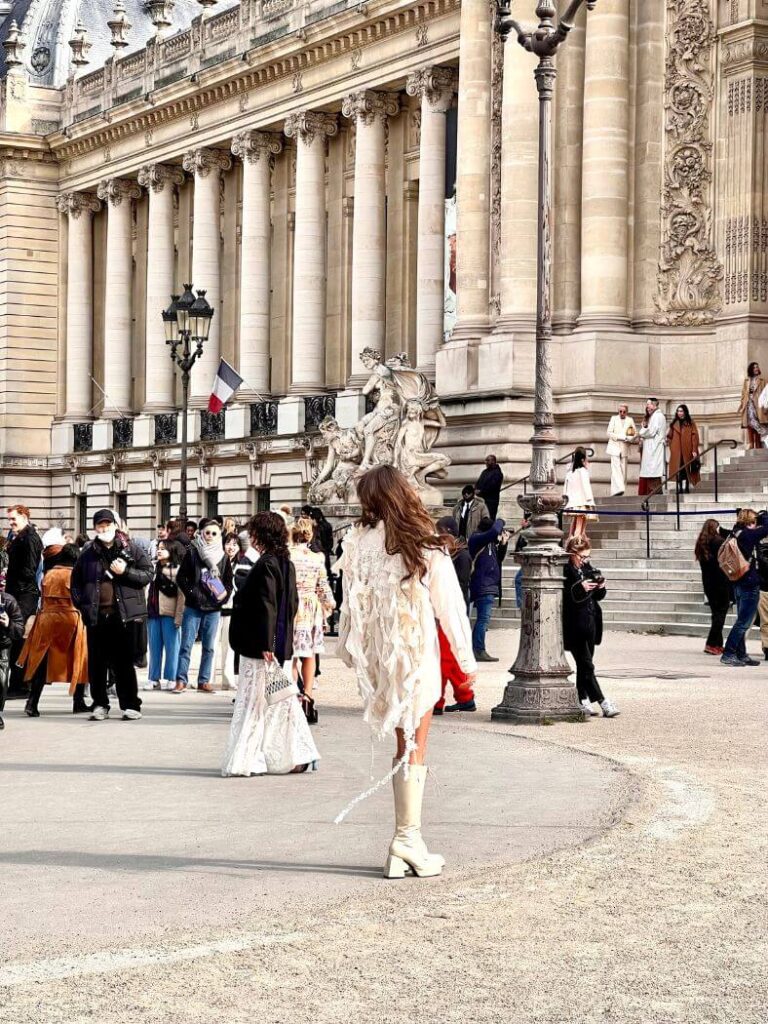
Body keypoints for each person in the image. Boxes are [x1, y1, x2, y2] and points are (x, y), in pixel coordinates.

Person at [335, 464, 475, 878]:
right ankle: (408, 839)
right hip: (415, 658)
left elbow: (350, 607)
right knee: (416, 746)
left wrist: (350, 654)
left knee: (405, 742)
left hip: (382, 662)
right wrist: (466, 666)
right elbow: (450, 610)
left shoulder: (359, 543)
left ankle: (404, 843)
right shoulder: (423, 545)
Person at [222, 512, 319, 776]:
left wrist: (266, 642)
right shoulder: (285, 562)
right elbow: (291, 603)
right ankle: (297, 753)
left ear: (261, 535)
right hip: (278, 643)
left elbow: (267, 605)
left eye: (254, 532)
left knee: (254, 702)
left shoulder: (266, 563)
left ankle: (250, 758)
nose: (250, 537)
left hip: (260, 645)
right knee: (280, 702)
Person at [71, 509, 152, 721]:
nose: (104, 528)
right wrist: (83, 606)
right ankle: (100, 704)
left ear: (115, 525)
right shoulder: (87, 554)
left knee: (123, 662)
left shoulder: (131, 549)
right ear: (95, 528)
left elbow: (147, 574)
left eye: (107, 524)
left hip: (123, 616)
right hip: (97, 616)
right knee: (97, 663)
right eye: (100, 525)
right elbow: (76, 584)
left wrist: (125, 572)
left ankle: (131, 704)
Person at [17, 536, 88, 718]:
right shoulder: (75, 574)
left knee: (43, 661)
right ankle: (78, 701)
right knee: (79, 659)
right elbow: (82, 598)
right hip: (71, 618)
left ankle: (32, 702)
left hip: (47, 619)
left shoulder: (49, 574)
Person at [174, 518, 234, 693]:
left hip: (213, 608)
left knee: (209, 646)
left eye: (214, 533)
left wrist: (222, 598)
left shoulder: (223, 557)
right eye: (207, 532)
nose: (210, 536)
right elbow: (181, 578)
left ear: (218, 536)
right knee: (186, 645)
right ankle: (181, 680)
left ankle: (204, 680)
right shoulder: (192, 552)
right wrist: (193, 593)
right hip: (193, 606)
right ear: (201, 533)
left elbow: (228, 582)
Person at [562, 536, 619, 718]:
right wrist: (581, 587)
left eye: (587, 556)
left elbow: (598, 597)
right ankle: (603, 701)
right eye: (582, 557)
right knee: (587, 665)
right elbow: (568, 597)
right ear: (572, 554)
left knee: (584, 666)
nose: (585, 560)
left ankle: (581, 698)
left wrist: (600, 586)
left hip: (590, 621)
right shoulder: (566, 570)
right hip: (574, 624)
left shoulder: (588, 569)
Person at [289, 517, 335, 716]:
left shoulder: (287, 556)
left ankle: (292, 696)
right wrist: (329, 604)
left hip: (292, 606)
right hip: (311, 606)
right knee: (309, 655)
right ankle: (307, 696)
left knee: (290, 656)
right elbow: (323, 586)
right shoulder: (318, 558)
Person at [434, 517, 476, 714]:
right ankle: (464, 696)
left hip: (448, 608)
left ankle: (438, 700)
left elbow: (461, 584)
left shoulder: (461, 556)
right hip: (443, 608)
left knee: (444, 658)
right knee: (448, 657)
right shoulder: (451, 554)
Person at [721, 508, 768, 667]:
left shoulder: (736, 532)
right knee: (743, 623)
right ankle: (728, 653)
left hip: (738, 582)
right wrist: (764, 519)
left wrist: (755, 520)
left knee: (742, 620)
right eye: (753, 521)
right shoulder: (748, 534)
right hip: (749, 583)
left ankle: (741, 654)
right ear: (749, 522)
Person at [5, 504, 43, 697]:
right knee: (15, 636)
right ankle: (18, 683)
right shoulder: (17, 537)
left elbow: (29, 570)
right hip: (17, 592)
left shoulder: (29, 538)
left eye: (13, 519)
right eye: (9, 519)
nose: (10, 522)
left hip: (24, 594)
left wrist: (8, 573)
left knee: (17, 637)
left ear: (24, 517)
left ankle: (21, 685)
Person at [146, 538, 185, 692]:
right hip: (153, 612)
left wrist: (179, 616)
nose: (159, 550)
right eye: (158, 548)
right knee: (154, 648)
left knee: (172, 647)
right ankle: (153, 678)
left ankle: (171, 677)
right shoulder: (152, 568)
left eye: (163, 548)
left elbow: (182, 596)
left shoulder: (177, 570)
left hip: (170, 613)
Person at [468, 516, 508, 662]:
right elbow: (494, 531)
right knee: (483, 619)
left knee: (483, 619)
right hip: (482, 585)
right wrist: (501, 521)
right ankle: (478, 649)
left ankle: (477, 648)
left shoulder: (490, 541)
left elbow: (499, 559)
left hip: (489, 585)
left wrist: (503, 544)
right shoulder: (477, 538)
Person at [694, 520, 731, 657]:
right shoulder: (718, 541)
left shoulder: (701, 542)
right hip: (720, 581)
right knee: (721, 612)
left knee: (716, 613)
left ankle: (717, 644)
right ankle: (711, 643)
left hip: (708, 583)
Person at [213, 532, 242, 692]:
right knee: (211, 646)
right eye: (228, 543)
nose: (231, 547)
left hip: (232, 610)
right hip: (215, 608)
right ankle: (206, 678)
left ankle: (228, 679)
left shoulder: (241, 565)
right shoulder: (217, 562)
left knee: (229, 647)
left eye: (234, 544)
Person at [0, 587, 24, 729]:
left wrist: (8, 623)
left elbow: (19, 630)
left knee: (1, 680)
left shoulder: (8, 601)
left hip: (1, 645)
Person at [563, 447, 596, 541]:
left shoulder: (570, 472)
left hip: (572, 502)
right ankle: (576, 545)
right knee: (580, 526)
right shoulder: (583, 471)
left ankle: (571, 541)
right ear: (582, 459)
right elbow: (586, 487)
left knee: (574, 523)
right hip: (582, 502)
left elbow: (566, 488)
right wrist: (590, 500)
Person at [667, 404, 701, 493]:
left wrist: (694, 449)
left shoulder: (690, 423)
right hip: (677, 451)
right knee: (678, 469)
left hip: (687, 449)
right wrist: (672, 446)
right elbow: (669, 436)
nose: (679, 413)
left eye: (681, 411)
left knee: (686, 469)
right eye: (678, 411)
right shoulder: (674, 423)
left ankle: (686, 487)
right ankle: (679, 487)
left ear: (685, 412)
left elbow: (695, 437)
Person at [636, 398, 667, 496]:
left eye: (648, 404)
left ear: (654, 405)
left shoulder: (657, 416)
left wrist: (640, 433)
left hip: (654, 448)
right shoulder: (655, 416)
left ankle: (655, 496)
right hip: (652, 448)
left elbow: (651, 431)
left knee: (653, 473)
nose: (647, 407)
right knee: (652, 474)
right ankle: (655, 495)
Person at [606, 404, 636, 496]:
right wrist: (621, 437)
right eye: (620, 411)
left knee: (623, 470)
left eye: (624, 411)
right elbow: (609, 433)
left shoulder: (630, 420)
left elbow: (634, 433)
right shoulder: (613, 419)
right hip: (614, 447)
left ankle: (621, 490)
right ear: (618, 411)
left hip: (624, 448)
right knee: (615, 469)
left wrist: (629, 438)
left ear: (627, 412)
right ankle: (617, 490)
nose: (622, 413)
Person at [738, 361, 768, 449]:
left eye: (757, 367)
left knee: (757, 423)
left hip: (758, 406)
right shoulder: (746, 381)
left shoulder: (763, 381)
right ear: (751, 369)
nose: (756, 369)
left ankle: (758, 443)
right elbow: (743, 393)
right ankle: (751, 443)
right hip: (748, 405)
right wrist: (743, 401)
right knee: (749, 423)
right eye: (754, 367)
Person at [475, 454, 504, 520]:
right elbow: (478, 482)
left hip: (491, 501)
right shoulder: (484, 472)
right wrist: (475, 489)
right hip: (481, 500)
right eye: (485, 460)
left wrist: (481, 491)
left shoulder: (497, 473)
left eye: (488, 460)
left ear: (493, 461)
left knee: (489, 518)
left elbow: (493, 486)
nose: (486, 462)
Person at [757, 536, 768, 661]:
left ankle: (767, 647)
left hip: (763, 589)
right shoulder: (762, 551)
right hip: (764, 589)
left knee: (765, 621)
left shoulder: (759, 550)